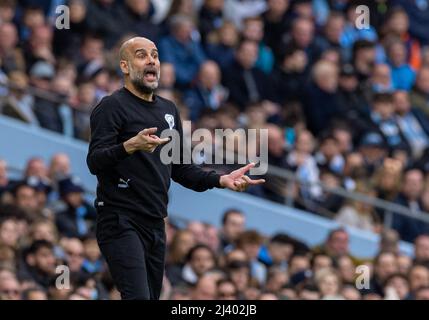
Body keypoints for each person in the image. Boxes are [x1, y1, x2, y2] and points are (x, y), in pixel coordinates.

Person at [86, 36, 265, 300]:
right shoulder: (112, 106)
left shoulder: (168, 110)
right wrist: (129, 146)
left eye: (155, 55)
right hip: (120, 218)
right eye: (141, 54)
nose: (151, 60)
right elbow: (94, 161)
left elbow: (182, 169)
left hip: (156, 223)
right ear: (125, 66)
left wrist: (220, 179)